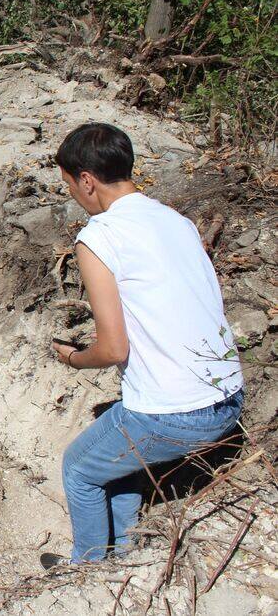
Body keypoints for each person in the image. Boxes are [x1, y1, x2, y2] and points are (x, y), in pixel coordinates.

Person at [43, 123, 244, 568]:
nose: (73, 195)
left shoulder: (99, 237)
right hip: (228, 398)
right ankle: (127, 553)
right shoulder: (178, 221)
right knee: (116, 456)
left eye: (69, 184)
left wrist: (75, 358)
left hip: (176, 412)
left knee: (79, 468)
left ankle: (88, 569)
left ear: (87, 180)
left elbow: (113, 350)